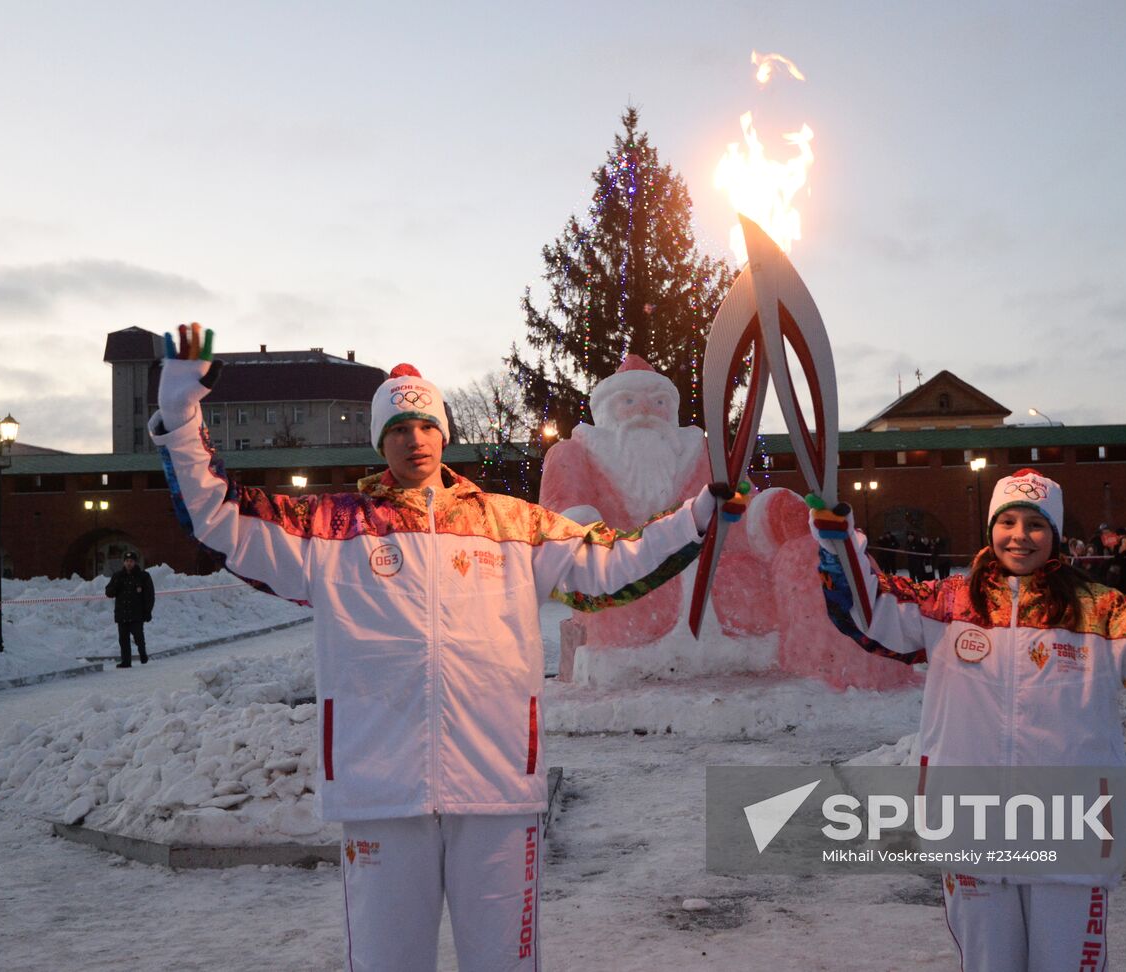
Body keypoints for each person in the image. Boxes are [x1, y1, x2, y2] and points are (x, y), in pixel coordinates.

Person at [151, 325, 734, 972]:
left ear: (444, 432)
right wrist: (181, 414)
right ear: (381, 440)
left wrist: (693, 520)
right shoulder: (331, 528)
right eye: (398, 428)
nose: (414, 438)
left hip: (497, 783)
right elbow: (219, 516)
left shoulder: (510, 524)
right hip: (381, 789)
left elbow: (614, 563)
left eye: (425, 424)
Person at [810, 467, 1126, 972]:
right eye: (1008, 521)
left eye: (1035, 524)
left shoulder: (1100, 611)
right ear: (991, 529)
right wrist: (838, 549)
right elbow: (868, 609)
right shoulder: (950, 603)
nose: (1020, 536)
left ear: (1055, 534)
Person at [105, 551, 154, 667]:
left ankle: (142, 653)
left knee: (138, 637)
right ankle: (126, 661)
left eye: (131, 561)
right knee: (123, 639)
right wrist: (116, 584)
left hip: (137, 613)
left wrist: (148, 611)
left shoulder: (143, 576)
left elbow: (149, 596)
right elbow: (109, 593)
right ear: (124, 562)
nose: (129, 563)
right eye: (127, 561)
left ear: (135, 562)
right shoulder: (117, 576)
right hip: (122, 613)